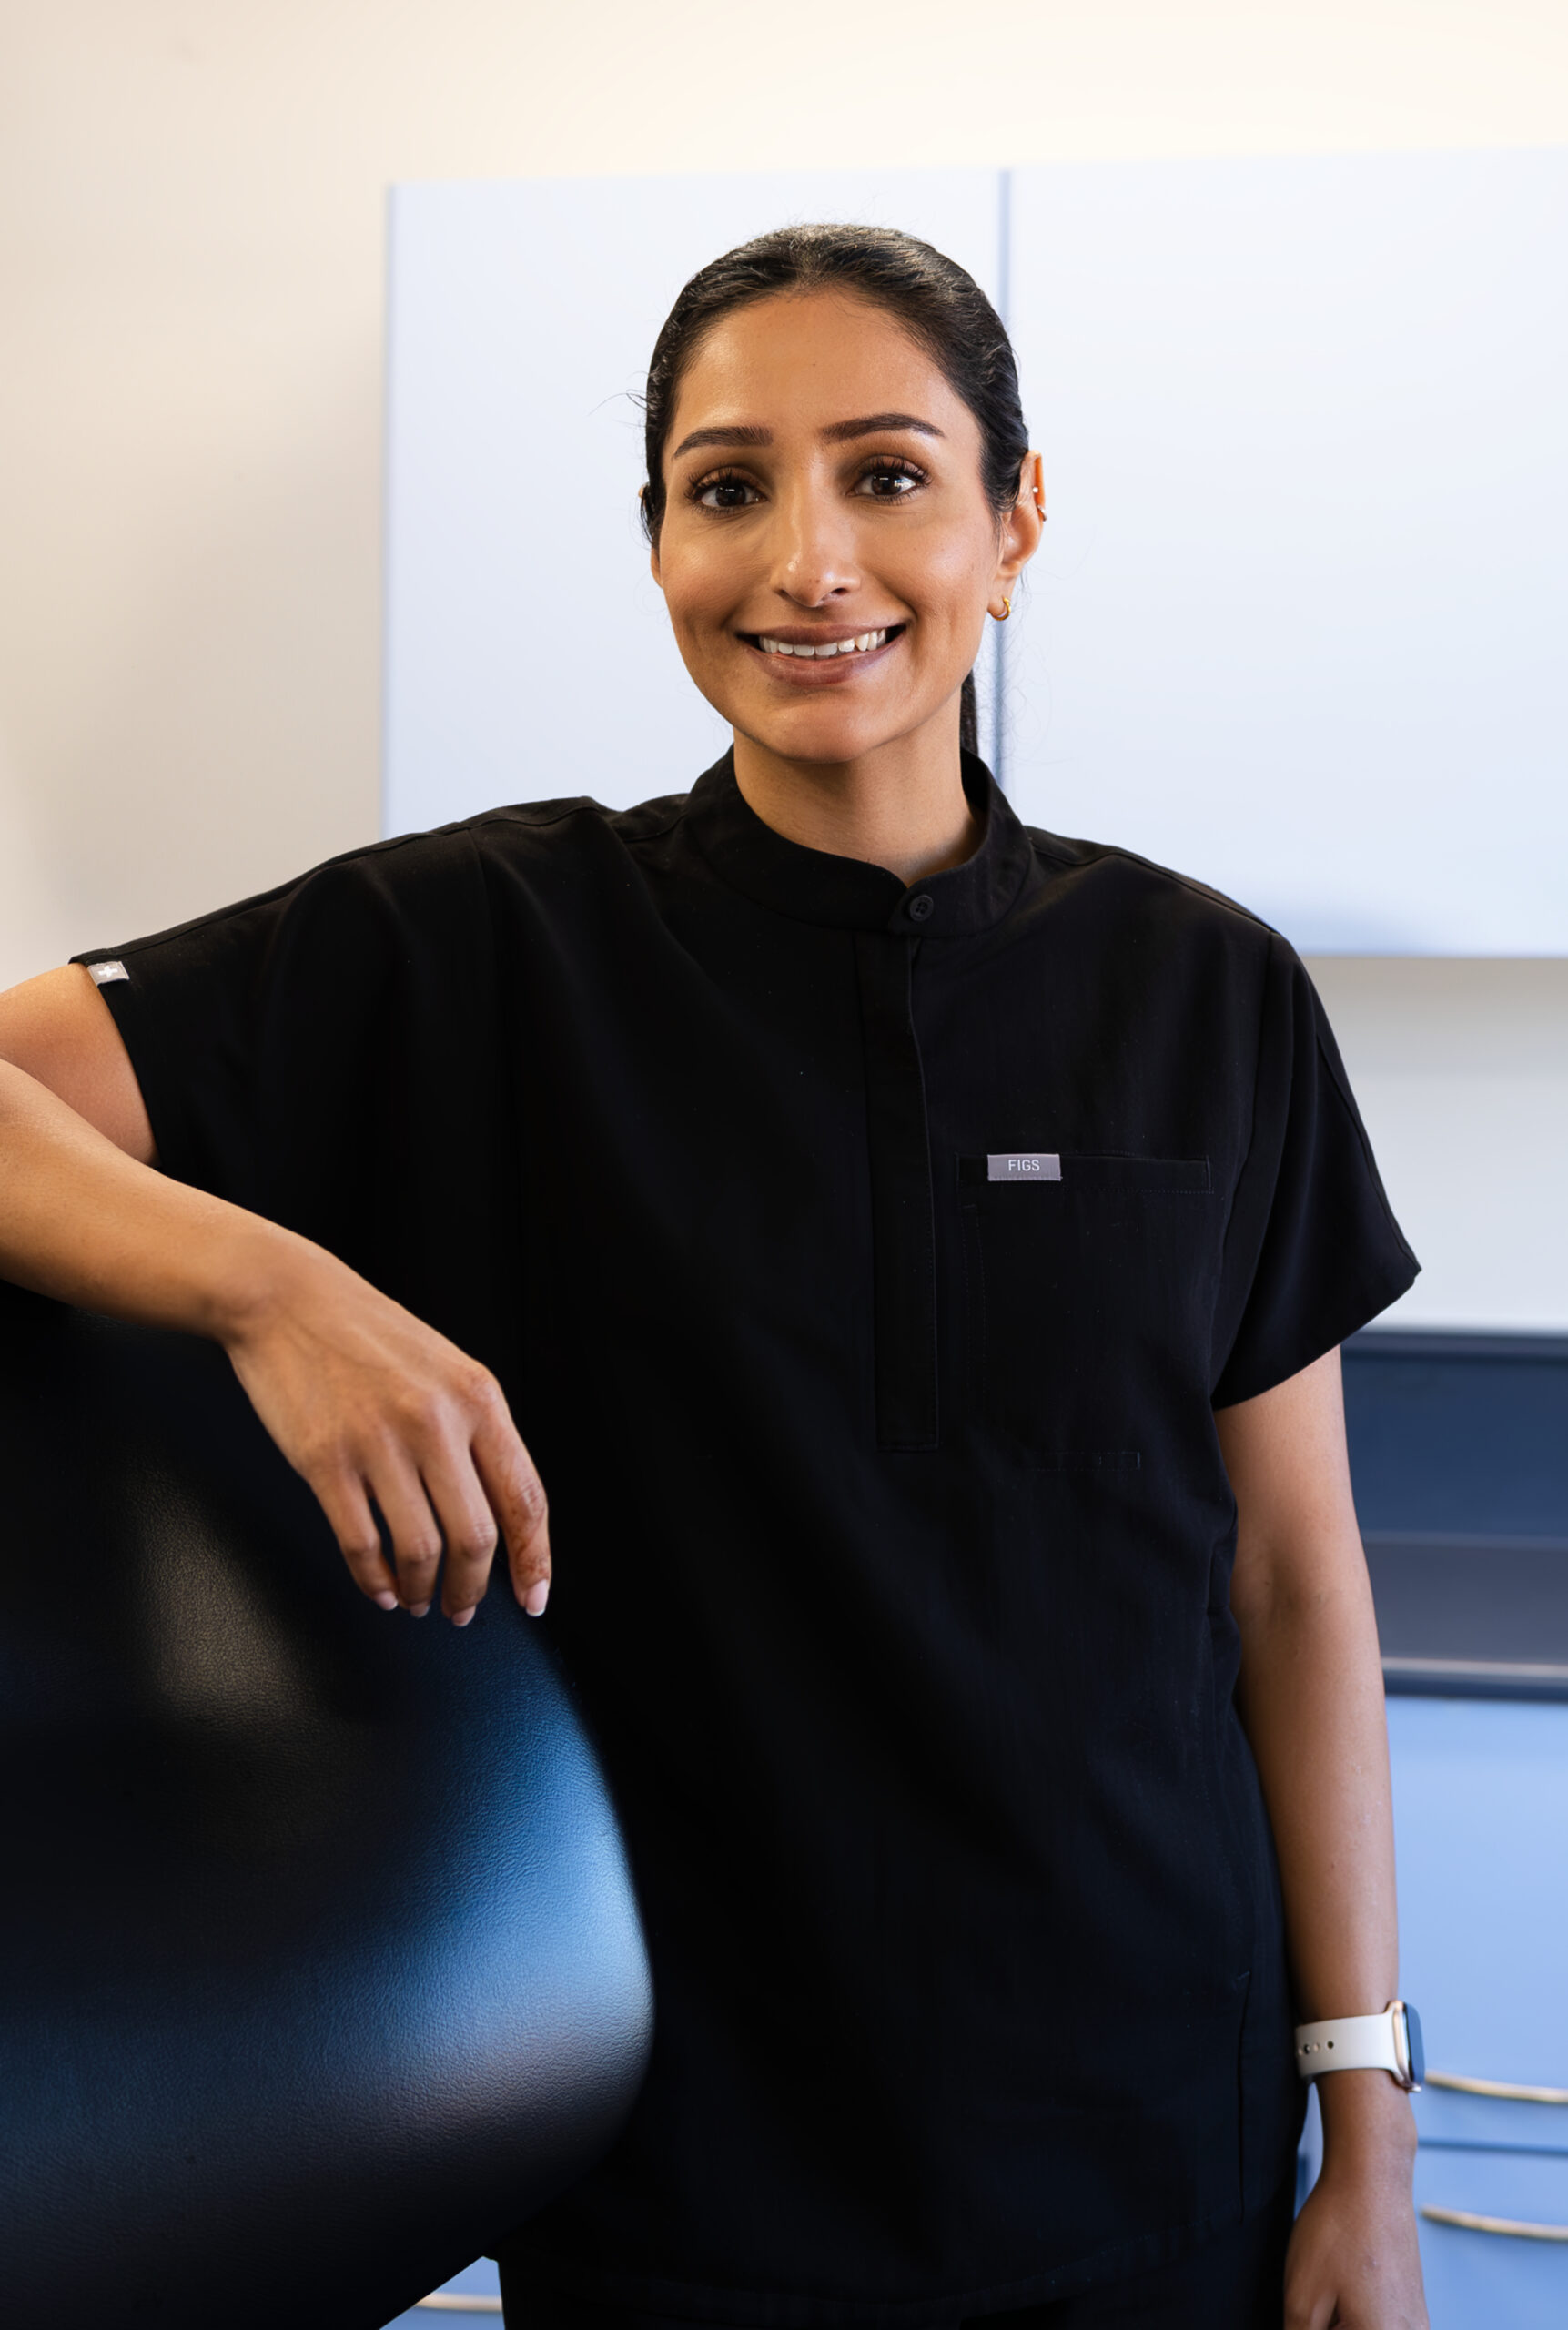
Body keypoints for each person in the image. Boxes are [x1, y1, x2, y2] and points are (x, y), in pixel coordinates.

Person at [0, 227, 1428, 2330]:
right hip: (683, 2173)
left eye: (888, 474)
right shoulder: (480, 947)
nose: (806, 560)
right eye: (727, 486)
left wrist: (1366, 2140)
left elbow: (1294, 1580)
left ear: (1015, 519)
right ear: (659, 538)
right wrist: (273, 1290)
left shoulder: (1204, 991)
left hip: (1154, 2142)